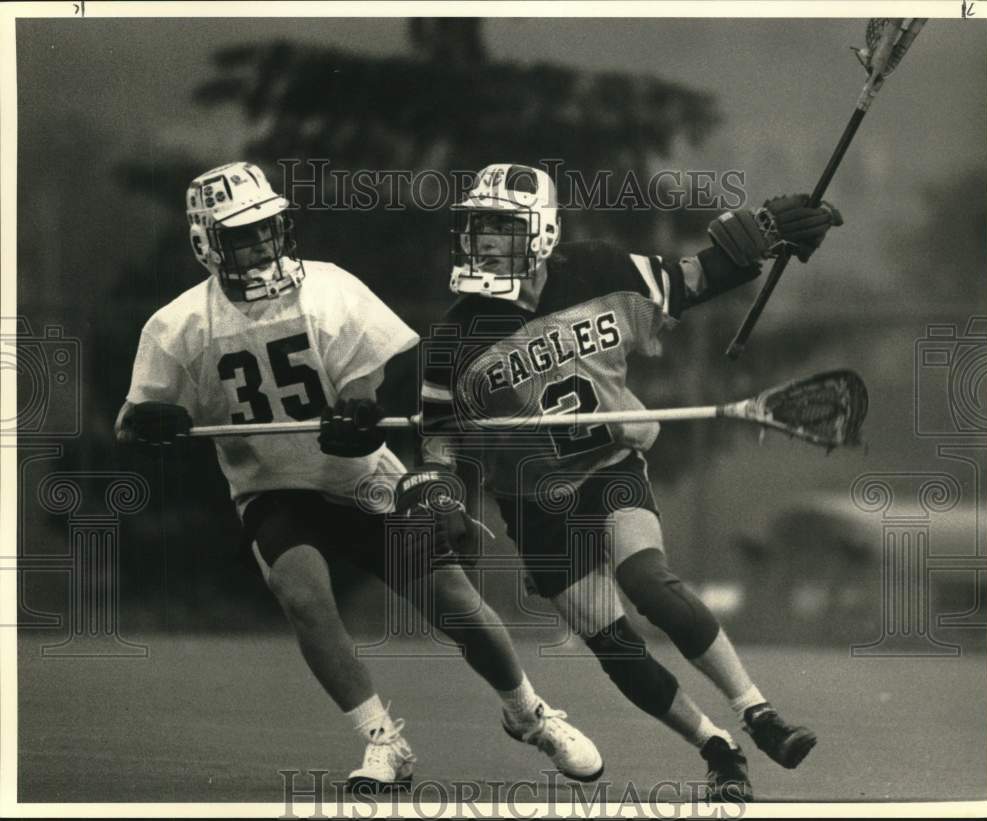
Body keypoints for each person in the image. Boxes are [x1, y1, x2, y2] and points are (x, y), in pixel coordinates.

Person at [319, 164, 843, 802]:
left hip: (609, 469)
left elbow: (693, 279)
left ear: (541, 231)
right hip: (533, 502)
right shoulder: (455, 337)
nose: (485, 242)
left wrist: (760, 235)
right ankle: (716, 747)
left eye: (502, 228)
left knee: (649, 583)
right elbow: (439, 438)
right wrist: (442, 494)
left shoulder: (600, 270)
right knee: (614, 644)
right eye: (478, 228)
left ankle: (758, 714)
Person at [114, 162, 604, 793]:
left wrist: (357, 408)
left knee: (455, 602)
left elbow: (362, 380)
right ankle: (383, 741)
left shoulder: (327, 288)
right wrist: (150, 421)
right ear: (207, 242)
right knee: (304, 598)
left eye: (266, 227)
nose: (260, 243)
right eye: (242, 234)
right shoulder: (178, 325)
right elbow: (132, 420)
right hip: (270, 489)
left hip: (360, 477)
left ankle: (528, 713)